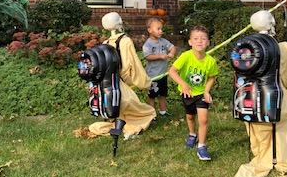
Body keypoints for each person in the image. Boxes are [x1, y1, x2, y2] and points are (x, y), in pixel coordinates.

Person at [234, 10, 287, 177]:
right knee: (286, 120)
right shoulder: (283, 47)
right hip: (278, 100)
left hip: (249, 102)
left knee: (259, 129)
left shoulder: (244, 49)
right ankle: (283, 161)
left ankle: (263, 159)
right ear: (271, 24)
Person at [88, 12, 156, 137]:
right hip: (122, 86)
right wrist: (145, 82)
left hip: (109, 87)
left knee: (121, 109)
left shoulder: (105, 44)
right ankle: (128, 127)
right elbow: (133, 64)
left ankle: (119, 121)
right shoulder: (125, 41)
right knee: (149, 111)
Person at [168, 25, 218, 161]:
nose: (199, 41)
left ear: (208, 43)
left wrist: (207, 91)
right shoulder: (185, 56)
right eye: (196, 38)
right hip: (187, 94)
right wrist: (183, 84)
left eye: (203, 39)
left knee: (203, 119)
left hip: (201, 94)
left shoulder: (210, 61)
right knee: (190, 117)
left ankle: (201, 146)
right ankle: (192, 134)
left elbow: (212, 76)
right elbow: (172, 71)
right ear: (190, 42)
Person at [143, 17, 176, 117]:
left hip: (163, 74)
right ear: (150, 30)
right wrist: (160, 56)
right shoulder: (147, 44)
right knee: (152, 96)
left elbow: (172, 47)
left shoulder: (163, 41)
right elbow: (147, 57)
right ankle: (152, 114)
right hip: (153, 76)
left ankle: (163, 111)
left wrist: (172, 53)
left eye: (161, 29)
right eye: (158, 29)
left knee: (163, 94)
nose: (161, 31)